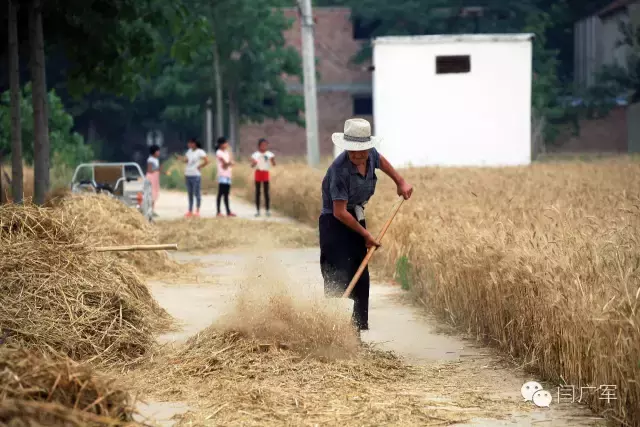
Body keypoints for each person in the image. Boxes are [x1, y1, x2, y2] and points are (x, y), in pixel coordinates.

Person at [319, 118, 413, 339]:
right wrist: (366, 235)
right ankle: (334, 333)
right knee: (338, 273)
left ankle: (356, 334)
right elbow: (340, 212)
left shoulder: (370, 155)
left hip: (356, 217)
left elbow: (381, 161)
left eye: (361, 151)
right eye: (353, 152)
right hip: (334, 222)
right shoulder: (339, 171)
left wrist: (400, 182)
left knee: (360, 274)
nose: (358, 156)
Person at [178, 138, 209, 218]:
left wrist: (200, 166)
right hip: (188, 174)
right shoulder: (189, 151)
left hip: (196, 175)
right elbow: (187, 160)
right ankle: (190, 210)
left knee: (197, 193)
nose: (189, 145)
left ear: (194, 144)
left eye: (190, 143)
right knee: (190, 193)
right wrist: (181, 159)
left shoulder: (200, 152)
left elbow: (206, 160)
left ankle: (197, 210)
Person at [250, 138, 276, 217]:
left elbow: (274, 164)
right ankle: (258, 210)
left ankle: (267, 210)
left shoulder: (270, 154)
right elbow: (252, 165)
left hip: (265, 172)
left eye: (265, 145)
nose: (264, 147)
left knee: (266, 192)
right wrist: (254, 163)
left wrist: (273, 160)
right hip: (258, 173)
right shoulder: (255, 154)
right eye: (262, 145)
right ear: (259, 146)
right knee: (258, 192)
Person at [215, 137, 236, 217]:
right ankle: (218, 211)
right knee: (221, 193)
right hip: (222, 174)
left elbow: (228, 163)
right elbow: (224, 164)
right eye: (225, 143)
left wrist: (229, 163)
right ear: (221, 144)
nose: (226, 144)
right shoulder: (219, 152)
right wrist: (230, 163)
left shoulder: (226, 152)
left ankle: (228, 211)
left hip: (228, 174)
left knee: (226, 193)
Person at [146, 145, 161, 217]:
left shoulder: (156, 160)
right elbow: (150, 170)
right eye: (157, 151)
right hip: (151, 178)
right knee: (151, 193)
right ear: (154, 152)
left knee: (154, 194)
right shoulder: (150, 159)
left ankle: (153, 209)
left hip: (155, 178)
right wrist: (158, 169)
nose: (159, 152)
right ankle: (150, 210)